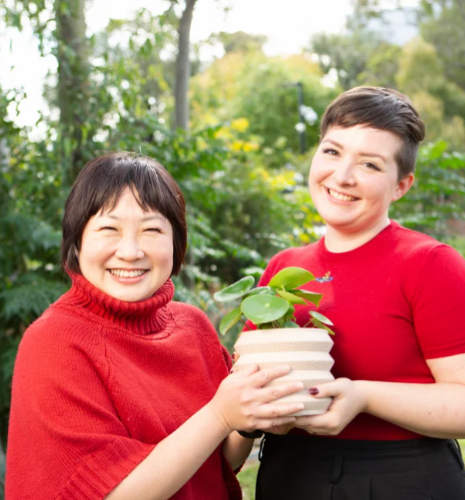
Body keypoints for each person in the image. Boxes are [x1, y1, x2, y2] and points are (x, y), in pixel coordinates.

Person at [5, 152, 305, 500]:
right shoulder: (54, 342)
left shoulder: (193, 327)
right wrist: (221, 415)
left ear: (176, 242)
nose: (130, 252)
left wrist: (248, 422)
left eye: (151, 229)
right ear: (77, 240)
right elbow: (111, 494)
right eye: (108, 229)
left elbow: (220, 460)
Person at [250, 87, 465, 500]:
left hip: (402, 479)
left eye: (369, 164)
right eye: (332, 152)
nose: (342, 176)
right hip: (289, 476)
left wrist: (363, 396)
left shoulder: (431, 266)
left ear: (401, 185)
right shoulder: (283, 269)